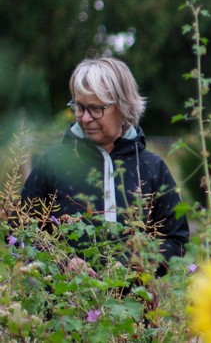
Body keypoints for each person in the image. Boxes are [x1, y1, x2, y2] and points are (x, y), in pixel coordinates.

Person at [20, 57, 189, 276]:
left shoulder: (150, 168)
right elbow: (22, 231)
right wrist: (63, 263)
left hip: (136, 306)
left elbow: (176, 242)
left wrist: (135, 264)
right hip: (64, 304)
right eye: (79, 107)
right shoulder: (54, 163)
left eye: (96, 109)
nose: (85, 118)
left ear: (124, 106)